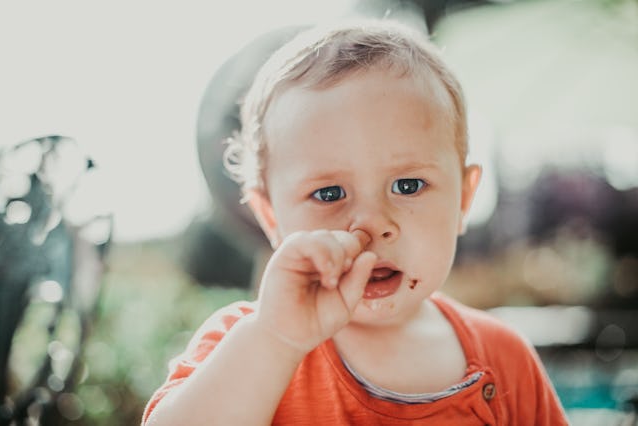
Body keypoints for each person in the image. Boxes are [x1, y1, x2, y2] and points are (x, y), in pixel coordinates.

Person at [142, 19, 568, 425]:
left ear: (463, 199)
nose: (372, 225)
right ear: (270, 216)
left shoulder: (505, 358)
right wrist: (276, 339)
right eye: (329, 194)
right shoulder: (247, 346)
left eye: (408, 185)